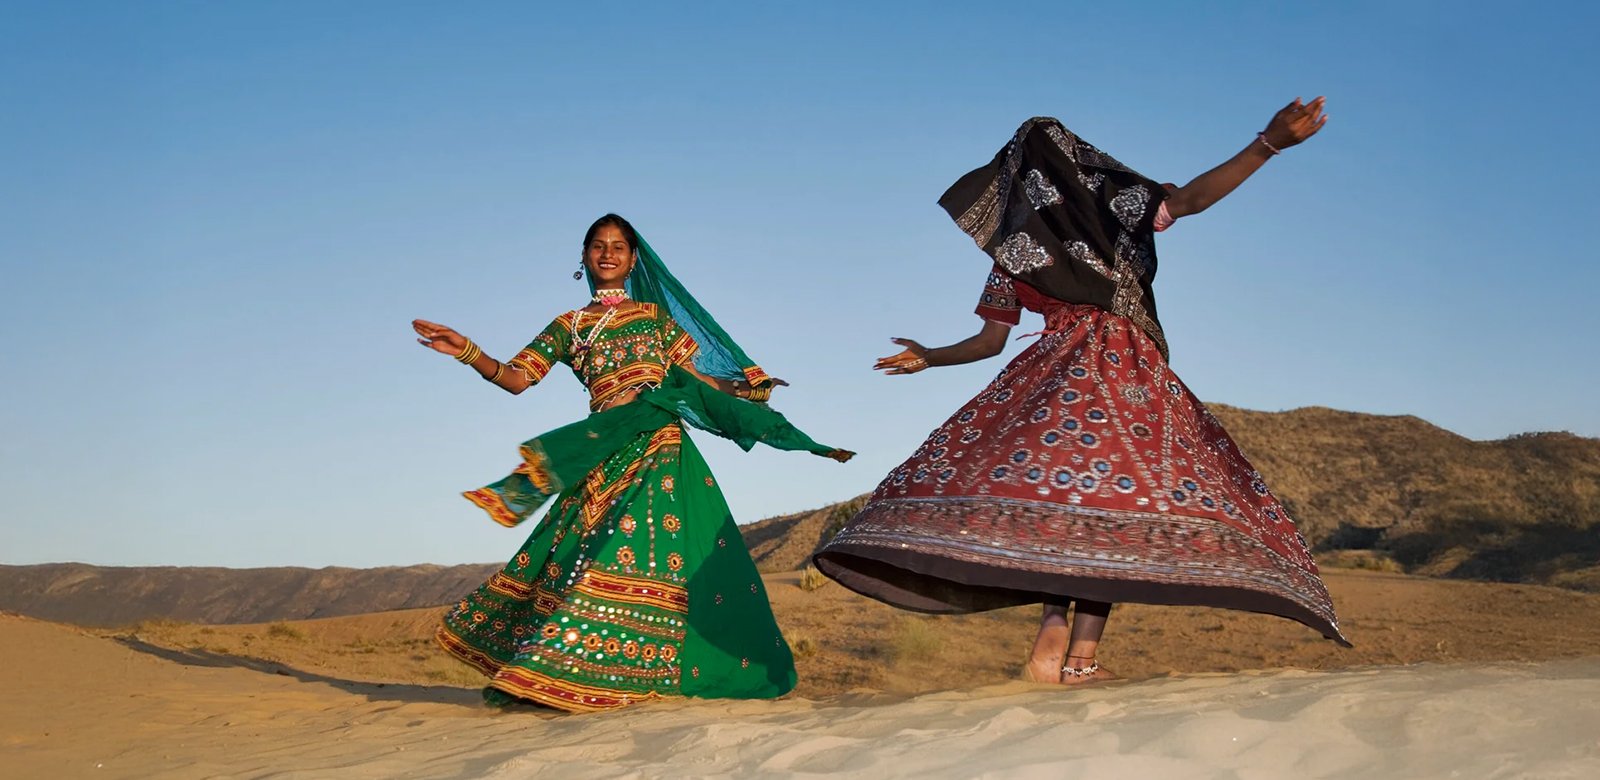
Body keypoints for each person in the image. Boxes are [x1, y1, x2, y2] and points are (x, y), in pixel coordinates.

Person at [814, 98, 1348, 685]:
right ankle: (1080, 659)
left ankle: (1052, 635)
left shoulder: (1016, 253)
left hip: (1054, 379)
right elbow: (1190, 200)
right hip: (1126, 377)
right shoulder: (1121, 211)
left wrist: (932, 356)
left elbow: (990, 342)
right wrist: (1267, 145)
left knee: (1069, 509)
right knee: (1109, 512)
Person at [414, 214, 852, 711]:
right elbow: (517, 378)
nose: (608, 253)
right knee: (577, 554)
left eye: (618, 246)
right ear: (583, 257)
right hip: (602, 449)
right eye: (598, 246)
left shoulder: (655, 318)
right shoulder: (568, 325)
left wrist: (747, 389)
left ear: (633, 258)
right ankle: (564, 670)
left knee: (645, 551)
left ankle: (631, 672)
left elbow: (695, 383)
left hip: (661, 446)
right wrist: (467, 351)